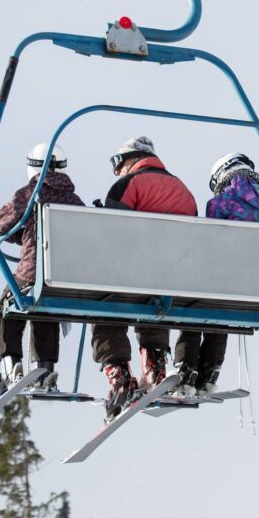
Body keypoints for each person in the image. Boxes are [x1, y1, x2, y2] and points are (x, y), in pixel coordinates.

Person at [92, 137, 198, 419]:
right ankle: (155, 365)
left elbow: (113, 232)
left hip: (133, 272)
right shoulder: (182, 189)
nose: (117, 171)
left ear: (130, 158)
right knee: (155, 304)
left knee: (102, 306)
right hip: (172, 278)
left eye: (117, 163)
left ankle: (119, 376)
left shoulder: (129, 185)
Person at [173, 152, 259, 396]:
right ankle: (211, 370)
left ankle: (187, 368)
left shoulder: (221, 203)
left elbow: (213, 243)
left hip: (228, 277)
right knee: (222, 313)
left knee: (195, 308)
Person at [0, 143, 85, 394]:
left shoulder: (29, 194)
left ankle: (11, 365)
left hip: (33, 271)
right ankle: (44, 368)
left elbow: (0, 225)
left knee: (7, 307)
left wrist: (23, 237)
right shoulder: (74, 200)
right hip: (62, 276)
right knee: (46, 310)